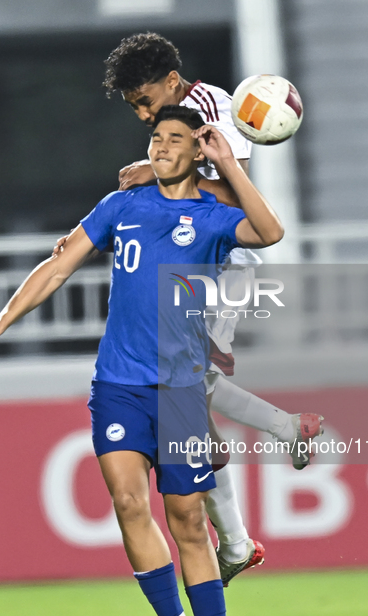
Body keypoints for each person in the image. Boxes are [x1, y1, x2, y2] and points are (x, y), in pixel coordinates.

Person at [0, 106, 283, 616]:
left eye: (175, 140)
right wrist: (1, 322)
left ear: (198, 152)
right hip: (119, 384)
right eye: (155, 138)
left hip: (182, 390)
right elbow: (58, 267)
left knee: (189, 521)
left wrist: (229, 168)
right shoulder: (120, 207)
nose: (160, 147)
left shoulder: (213, 217)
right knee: (129, 502)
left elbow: (270, 232)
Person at [101, 32, 324, 586]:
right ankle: (244, 526)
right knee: (184, 400)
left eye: (145, 100)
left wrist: (155, 173)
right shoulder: (186, 118)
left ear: (172, 83)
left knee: (185, 394)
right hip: (200, 271)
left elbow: (228, 195)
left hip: (222, 270)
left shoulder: (211, 108)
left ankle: (248, 505)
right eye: (137, 108)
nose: (144, 114)